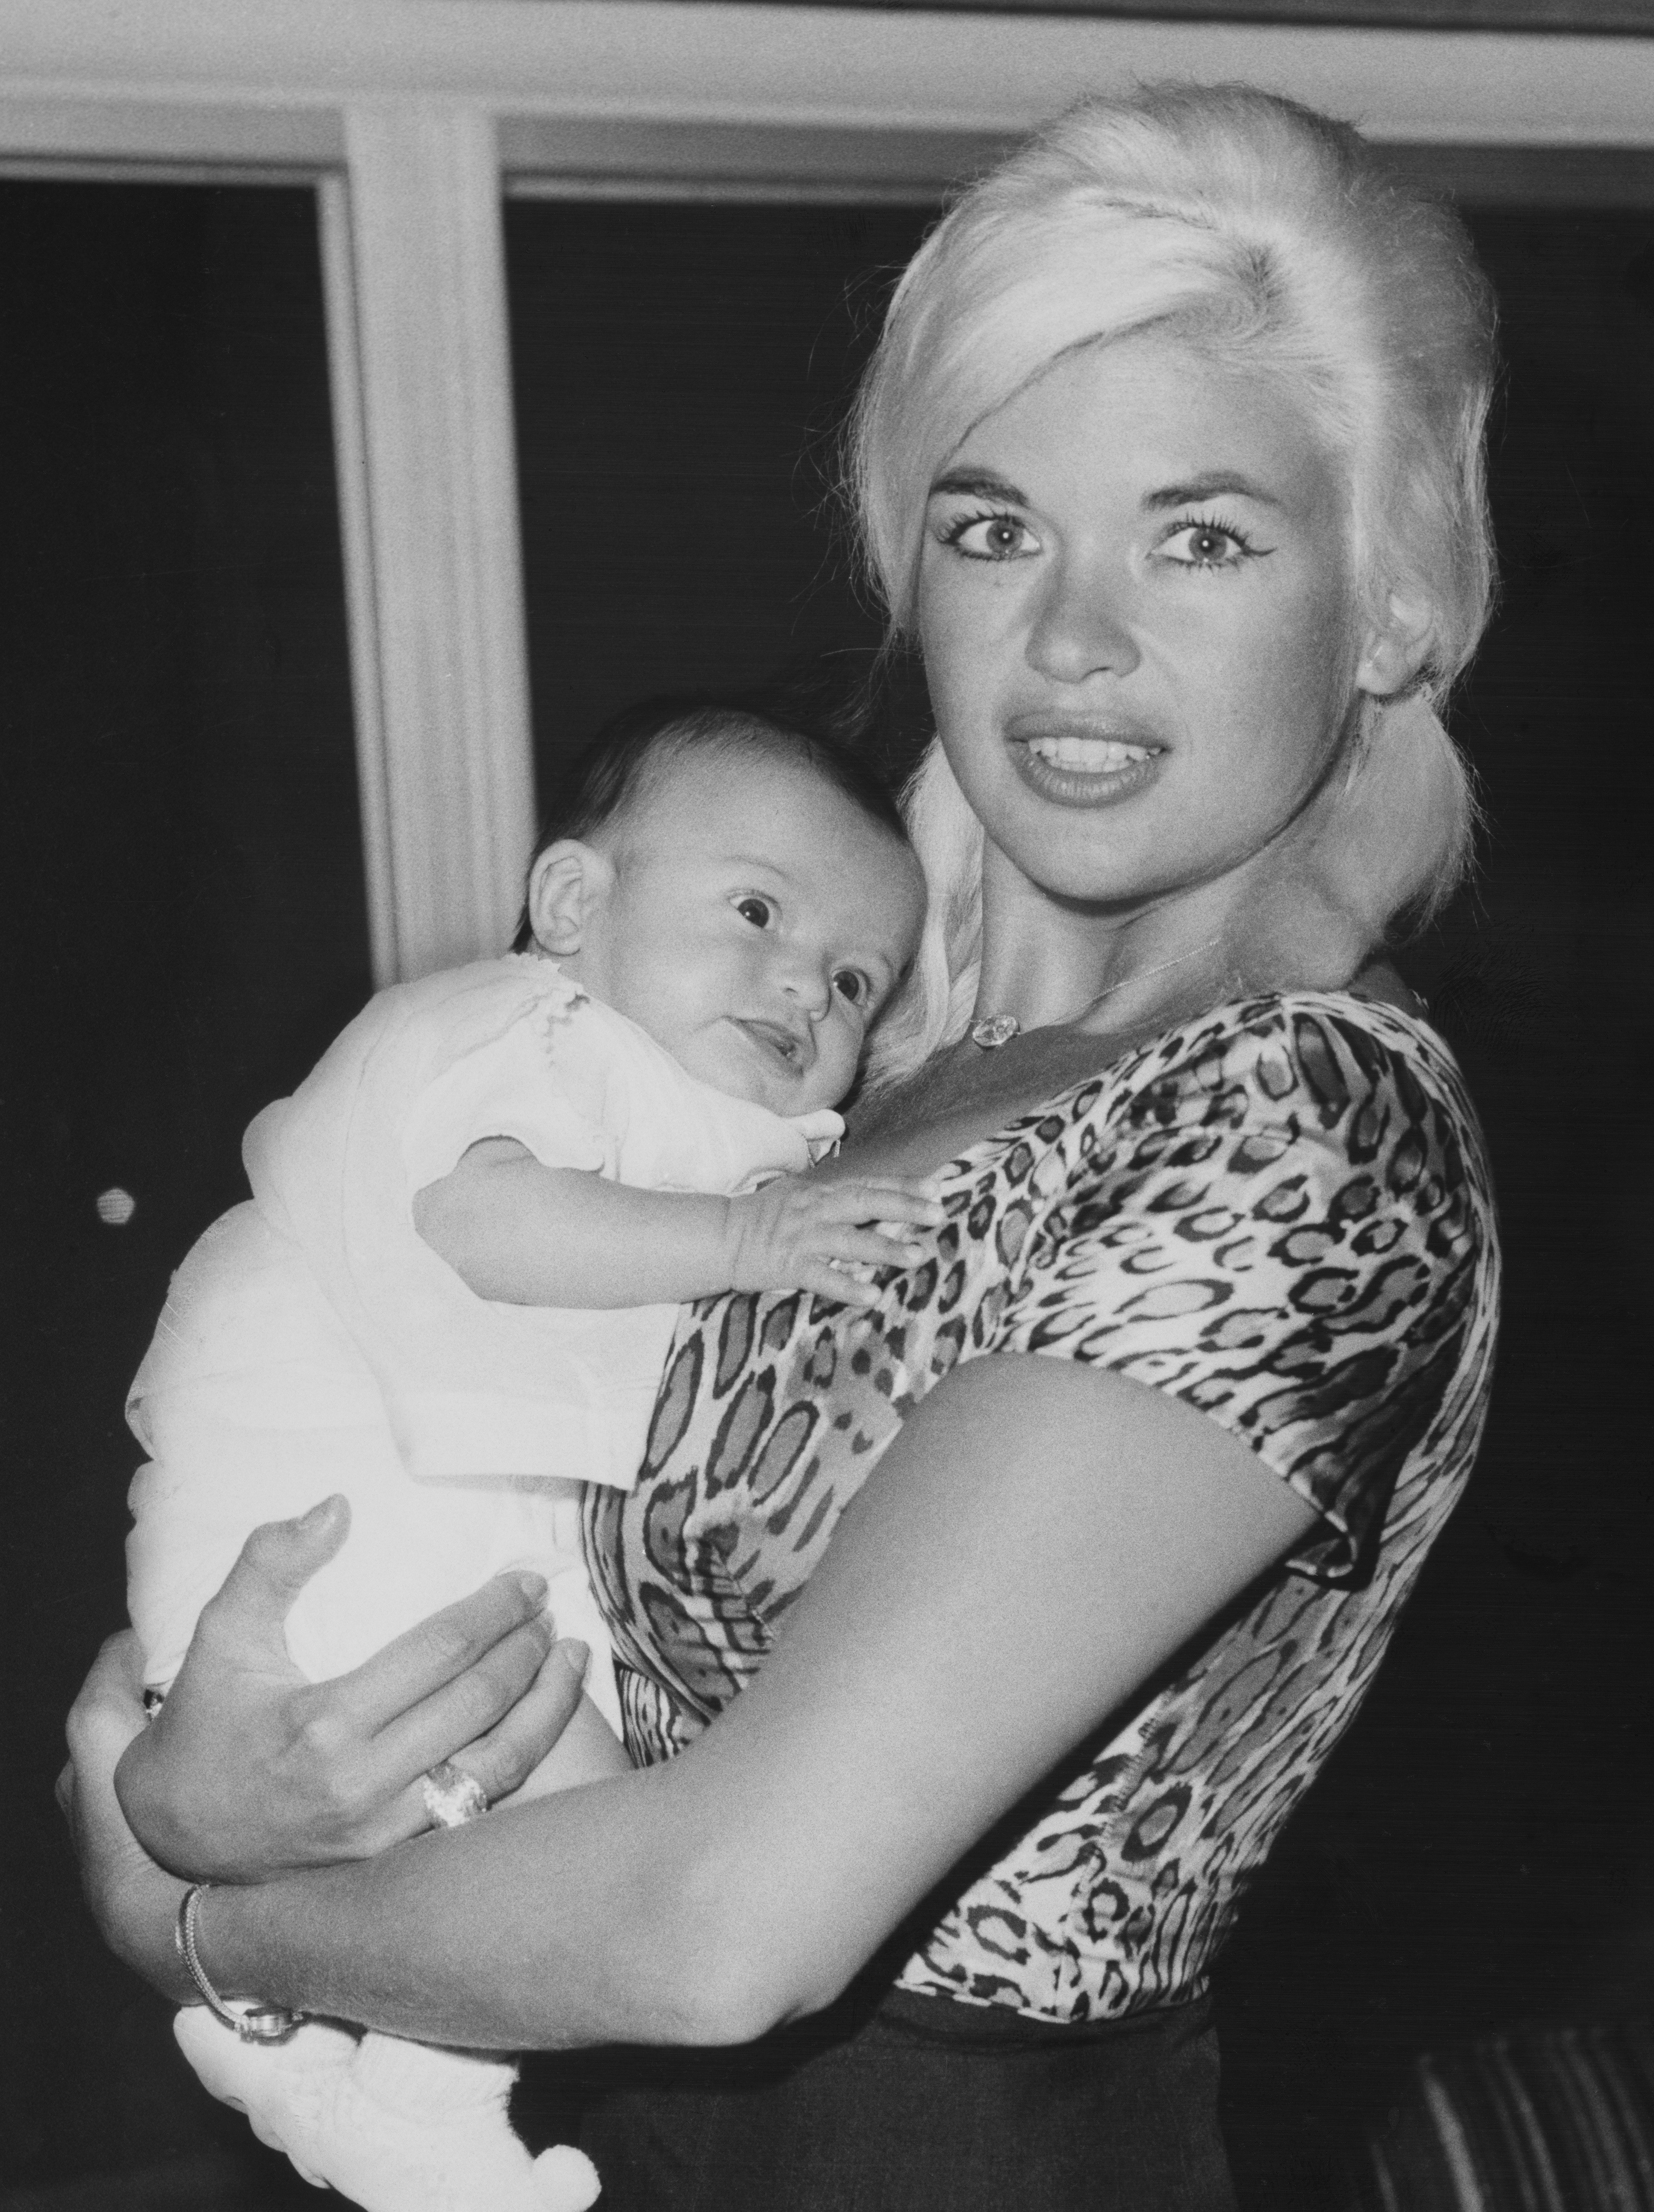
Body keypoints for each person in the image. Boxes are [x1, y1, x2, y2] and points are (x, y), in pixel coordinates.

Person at [64, 82, 1503, 2211]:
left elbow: (725, 1927)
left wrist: (187, 1922)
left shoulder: (1304, 1125)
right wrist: (209, 1763)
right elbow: (361, 1383)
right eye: (993, 525)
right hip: (572, 2112)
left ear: (1387, 609)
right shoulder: (868, 1058)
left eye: (1203, 535)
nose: (1073, 637)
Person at [118, 699, 933, 2211]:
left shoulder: (682, 1097)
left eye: (852, 980)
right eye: (756, 910)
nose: (801, 987)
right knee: (572, 1834)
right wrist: (752, 1238)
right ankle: (406, 2095)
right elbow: (486, 1226)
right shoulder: (523, 1033)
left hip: (424, 1515)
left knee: (548, 1827)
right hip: (325, 1488)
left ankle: (358, 2073)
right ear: (573, 904)